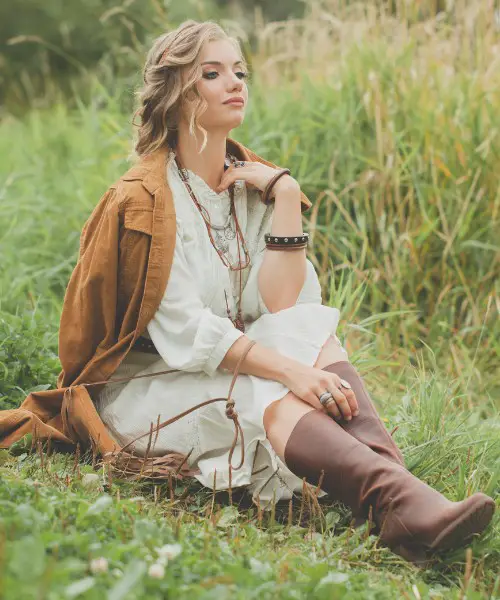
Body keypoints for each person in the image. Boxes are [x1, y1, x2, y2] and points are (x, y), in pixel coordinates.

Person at [5, 19, 494, 564]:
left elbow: (283, 308)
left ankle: (401, 501)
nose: (235, 82)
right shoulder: (143, 200)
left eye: (240, 71)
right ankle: (396, 501)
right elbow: (186, 330)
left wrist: (286, 196)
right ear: (176, 93)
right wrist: (291, 371)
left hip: (229, 370)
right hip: (149, 389)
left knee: (306, 329)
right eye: (212, 73)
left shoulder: (251, 185)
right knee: (267, 389)